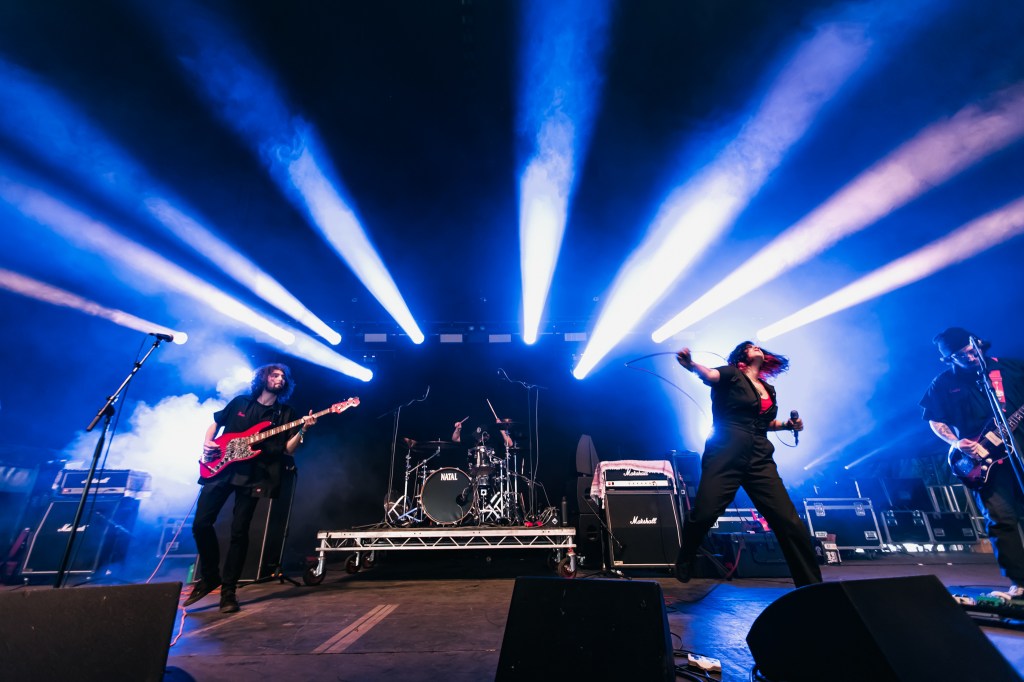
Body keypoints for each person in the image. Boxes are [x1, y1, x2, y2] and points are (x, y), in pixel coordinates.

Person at [673, 341, 822, 587]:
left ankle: (811, 587)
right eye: (750, 346)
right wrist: (691, 365)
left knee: (789, 522)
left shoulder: (768, 389)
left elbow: (764, 422)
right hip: (726, 452)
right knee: (705, 514)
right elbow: (709, 374)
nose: (757, 348)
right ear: (741, 356)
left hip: (759, 457)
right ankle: (687, 553)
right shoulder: (732, 374)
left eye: (758, 346)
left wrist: (786, 425)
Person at [184, 363, 316, 613]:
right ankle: (210, 575)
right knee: (201, 524)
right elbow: (216, 422)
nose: (279, 379)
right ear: (263, 378)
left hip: (255, 475)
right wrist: (208, 442)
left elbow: (288, 450)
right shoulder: (240, 402)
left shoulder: (285, 413)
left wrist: (304, 429)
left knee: (239, 532)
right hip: (221, 469)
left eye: (282, 377)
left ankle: (228, 592)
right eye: (274, 374)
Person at [920, 327, 1024, 599]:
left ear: (979, 344)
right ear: (950, 359)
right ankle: (1020, 583)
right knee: (1002, 518)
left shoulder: (1009, 368)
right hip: (986, 463)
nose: (970, 357)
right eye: (961, 355)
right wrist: (955, 442)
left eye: (971, 350)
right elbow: (935, 419)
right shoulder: (943, 383)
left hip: (1021, 452)